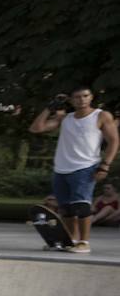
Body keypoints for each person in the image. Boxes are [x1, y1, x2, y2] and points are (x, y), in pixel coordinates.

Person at [29, 87, 118, 254]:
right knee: (66, 209)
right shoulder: (65, 118)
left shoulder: (101, 116)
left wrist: (105, 165)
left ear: (91, 97)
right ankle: (72, 240)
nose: (82, 100)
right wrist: (50, 107)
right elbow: (36, 128)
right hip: (61, 168)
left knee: (82, 207)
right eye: (77, 97)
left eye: (85, 96)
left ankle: (84, 242)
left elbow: (114, 141)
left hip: (86, 166)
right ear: (71, 100)